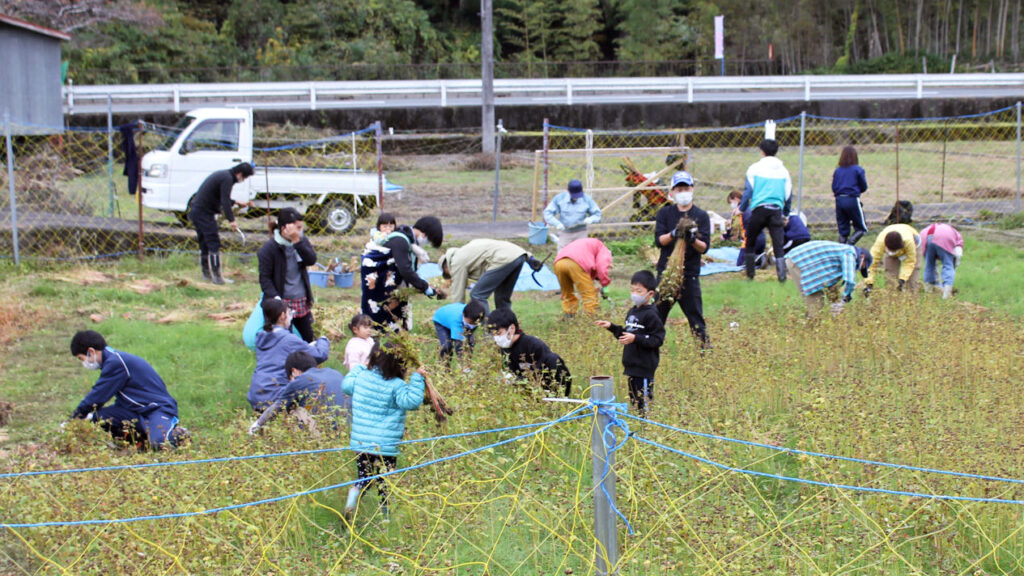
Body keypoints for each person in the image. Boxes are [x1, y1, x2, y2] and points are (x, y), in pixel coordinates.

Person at [342, 341, 427, 520]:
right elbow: (411, 402)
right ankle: (386, 517)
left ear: (373, 357)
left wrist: (359, 368)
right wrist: (418, 378)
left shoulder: (361, 378)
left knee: (364, 476)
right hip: (386, 445)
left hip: (361, 443)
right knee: (385, 480)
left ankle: (354, 495)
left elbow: (346, 385)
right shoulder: (397, 385)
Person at [67, 330, 188, 449]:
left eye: (81, 358)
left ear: (90, 352)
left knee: (160, 443)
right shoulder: (112, 360)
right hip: (135, 410)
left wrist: (73, 419)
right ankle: (140, 443)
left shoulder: (116, 363)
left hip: (157, 409)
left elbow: (97, 397)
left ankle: (179, 435)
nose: (83, 363)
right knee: (98, 418)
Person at [653, 171, 711, 347]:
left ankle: (705, 353)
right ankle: (648, 351)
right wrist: (673, 234)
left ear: (692, 189)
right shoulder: (665, 214)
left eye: (686, 188)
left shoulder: (701, 216)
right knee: (656, 317)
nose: (683, 192)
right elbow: (659, 241)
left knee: (695, 318)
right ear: (672, 192)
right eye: (679, 189)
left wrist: (692, 239)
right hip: (667, 274)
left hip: (689, 274)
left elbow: (704, 247)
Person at [594, 271, 664, 416]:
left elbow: (657, 339)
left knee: (643, 401)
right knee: (634, 399)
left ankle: (646, 426)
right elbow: (627, 334)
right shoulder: (633, 312)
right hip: (631, 365)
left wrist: (636, 339)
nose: (634, 294)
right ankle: (638, 423)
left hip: (644, 366)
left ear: (650, 294)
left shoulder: (651, 314)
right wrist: (612, 327)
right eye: (632, 290)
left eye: (639, 291)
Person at [360, 216, 445, 332]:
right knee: (381, 310)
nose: (426, 242)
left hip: (383, 279)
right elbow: (405, 270)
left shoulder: (404, 235)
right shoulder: (401, 241)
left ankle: (387, 329)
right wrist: (425, 287)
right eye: (429, 240)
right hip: (378, 280)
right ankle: (379, 331)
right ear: (424, 234)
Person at [249, 299, 330, 411]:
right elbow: (320, 355)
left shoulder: (261, 337)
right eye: (289, 313)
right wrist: (323, 340)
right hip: (276, 394)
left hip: (256, 393)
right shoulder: (288, 339)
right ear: (282, 316)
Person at [248, 351, 350, 435]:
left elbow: (277, 407)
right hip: (353, 429)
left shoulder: (300, 380)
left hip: (330, 433)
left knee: (294, 408)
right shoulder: (333, 372)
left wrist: (256, 426)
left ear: (293, 371)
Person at [257, 207, 318, 342]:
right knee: (283, 339)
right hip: (282, 301)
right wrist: (277, 302)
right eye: (297, 228)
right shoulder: (268, 250)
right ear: (285, 229)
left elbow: (311, 260)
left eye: (301, 228)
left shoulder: (300, 241)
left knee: (308, 337)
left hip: (301, 299)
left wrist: (297, 242)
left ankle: (309, 361)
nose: (300, 231)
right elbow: (265, 279)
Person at [188, 162, 255, 284]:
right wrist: (232, 220)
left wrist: (235, 202)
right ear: (239, 174)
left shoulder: (223, 175)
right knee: (213, 243)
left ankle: (207, 274)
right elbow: (224, 200)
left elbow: (219, 197)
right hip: (204, 213)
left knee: (204, 243)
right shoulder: (227, 179)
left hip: (197, 211)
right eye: (244, 177)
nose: (243, 180)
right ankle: (217, 278)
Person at [438, 239, 544, 313]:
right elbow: (503, 245)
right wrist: (529, 258)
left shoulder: (455, 262)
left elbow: (458, 294)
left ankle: (489, 329)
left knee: (477, 295)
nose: (450, 275)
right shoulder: (469, 247)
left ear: (446, 267)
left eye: (447, 273)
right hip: (518, 256)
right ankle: (507, 327)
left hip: (502, 259)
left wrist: (455, 316)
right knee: (502, 298)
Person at [738, 138, 792, 281]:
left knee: (750, 241)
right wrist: (786, 214)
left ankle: (750, 274)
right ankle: (782, 276)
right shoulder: (784, 171)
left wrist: (741, 208)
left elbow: (748, 191)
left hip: (759, 209)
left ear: (762, 151)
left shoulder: (754, 168)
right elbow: (788, 194)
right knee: (778, 244)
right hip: (776, 210)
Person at [486, 308, 572, 396]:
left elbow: (547, 370)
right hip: (522, 394)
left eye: (499, 333)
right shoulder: (502, 349)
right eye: (493, 335)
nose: (496, 338)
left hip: (544, 390)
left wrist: (517, 380)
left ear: (512, 328)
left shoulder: (533, 346)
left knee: (553, 360)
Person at [786, 241, 873, 318]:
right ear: (862, 257)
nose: (858, 269)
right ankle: (813, 329)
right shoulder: (850, 254)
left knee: (832, 290)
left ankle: (825, 320)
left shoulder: (843, 252)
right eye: (862, 266)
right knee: (815, 301)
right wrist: (843, 301)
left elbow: (833, 283)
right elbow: (850, 281)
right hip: (798, 260)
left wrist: (835, 303)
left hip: (805, 259)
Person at [553, 237, 612, 317]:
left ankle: (569, 316)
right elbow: (601, 267)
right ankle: (591, 318)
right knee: (588, 294)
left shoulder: (585, 242)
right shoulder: (602, 248)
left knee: (567, 293)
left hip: (559, 263)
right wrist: (605, 285)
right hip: (576, 263)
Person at [543, 179, 602, 249]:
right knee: (563, 255)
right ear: (568, 191)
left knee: (581, 254)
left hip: (581, 232)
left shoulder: (586, 199)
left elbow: (597, 214)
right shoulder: (559, 199)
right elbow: (547, 213)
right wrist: (557, 223)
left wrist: (591, 219)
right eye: (574, 195)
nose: (576, 197)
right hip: (565, 232)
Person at [864, 223, 921, 296]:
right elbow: (871, 263)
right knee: (891, 278)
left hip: (914, 243)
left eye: (895, 251)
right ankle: (891, 300)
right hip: (890, 245)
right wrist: (869, 282)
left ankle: (912, 301)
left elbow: (910, 262)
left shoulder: (909, 242)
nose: (893, 252)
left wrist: (902, 280)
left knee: (912, 279)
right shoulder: (880, 243)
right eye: (891, 250)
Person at [832, 145, 869, 245]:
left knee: (843, 229)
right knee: (861, 228)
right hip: (852, 199)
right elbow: (864, 186)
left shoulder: (838, 170)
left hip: (839, 200)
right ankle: (849, 245)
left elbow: (834, 187)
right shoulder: (858, 170)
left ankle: (841, 247)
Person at [919, 222, 964, 299]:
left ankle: (928, 291)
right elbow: (957, 256)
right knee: (948, 265)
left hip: (924, 236)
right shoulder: (957, 237)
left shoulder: (950, 230)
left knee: (929, 265)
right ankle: (946, 294)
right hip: (944, 237)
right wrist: (953, 268)